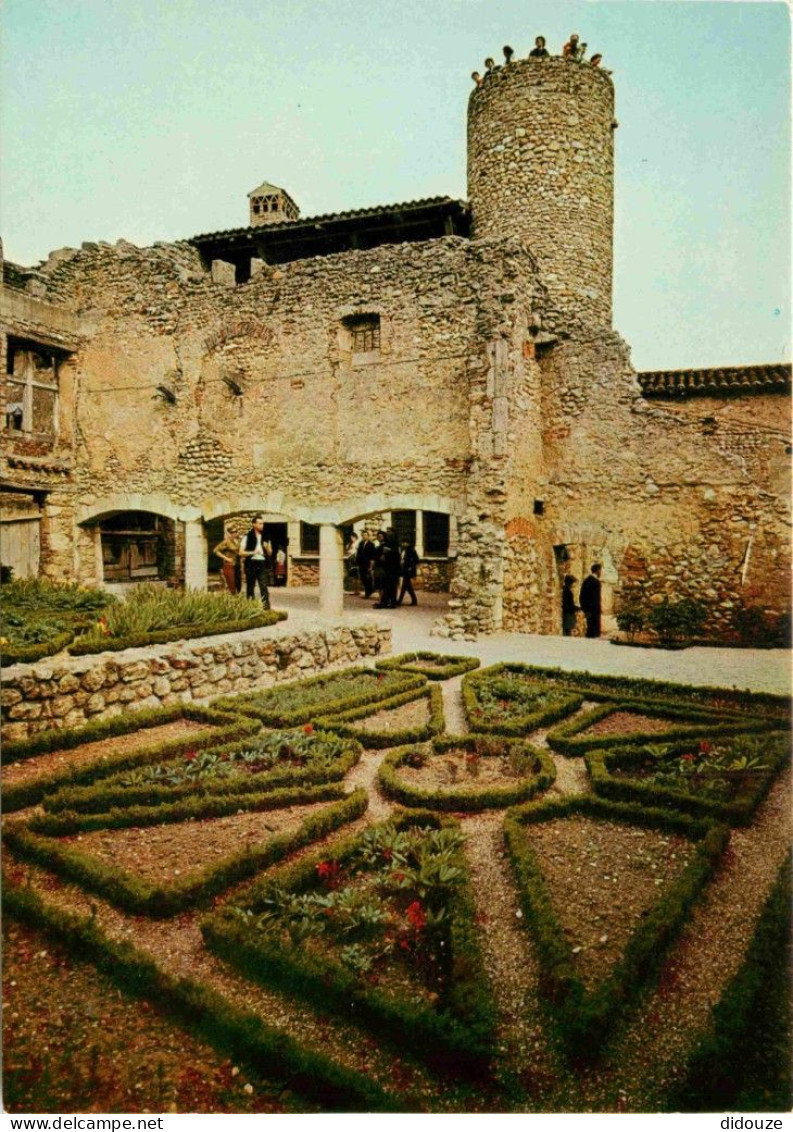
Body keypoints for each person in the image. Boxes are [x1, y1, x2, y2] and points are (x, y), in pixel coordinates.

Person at [239, 514, 271, 608]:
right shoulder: (247, 537)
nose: (262, 525)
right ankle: (250, 606)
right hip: (251, 563)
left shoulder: (266, 536)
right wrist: (252, 552)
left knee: (263, 586)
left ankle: (266, 607)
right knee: (250, 586)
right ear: (254, 524)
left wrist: (267, 547)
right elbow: (241, 552)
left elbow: (269, 553)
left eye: (263, 524)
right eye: (260, 524)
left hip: (262, 563)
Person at [579, 563, 603, 639]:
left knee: (591, 630)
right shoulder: (594, 582)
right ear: (597, 571)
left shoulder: (587, 581)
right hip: (593, 610)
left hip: (590, 610)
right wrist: (587, 609)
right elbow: (593, 598)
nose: (601, 572)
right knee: (593, 631)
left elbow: (582, 596)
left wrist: (585, 609)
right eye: (600, 570)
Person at [398, 539, 420, 606]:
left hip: (408, 570)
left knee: (405, 586)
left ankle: (400, 600)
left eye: (405, 543)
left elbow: (416, 560)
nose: (403, 544)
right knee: (407, 586)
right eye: (403, 543)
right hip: (404, 570)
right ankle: (413, 600)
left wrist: (411, 566)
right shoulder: (403, 551)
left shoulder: (412, 551)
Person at [356, 529, 377, 598]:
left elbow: (373, 555)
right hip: (361, 564)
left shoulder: (371, 544)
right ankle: (368, 590)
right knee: (363, 578)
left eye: (365, 535)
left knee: (367, 578)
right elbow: (358, 554)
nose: (364, 536)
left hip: (367, 564)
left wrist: (371, 566)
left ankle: (368, 592)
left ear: (368, 536)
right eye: (363, 535)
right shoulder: (361, 544)